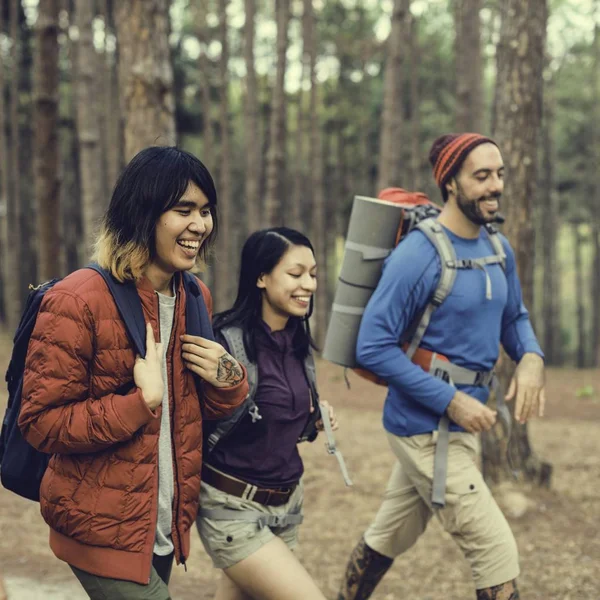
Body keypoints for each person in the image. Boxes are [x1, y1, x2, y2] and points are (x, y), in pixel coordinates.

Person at [18, 146, 249, 600]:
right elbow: (40, 422)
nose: (200, 225)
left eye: (205, 211)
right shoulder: (78, 299)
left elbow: (197, 412)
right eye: (183, 210)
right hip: (99, 530)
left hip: (158, 526)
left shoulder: (193, 295)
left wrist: (230, 381)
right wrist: (137, 404)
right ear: (143, 212)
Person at [337, 133, 546, 600]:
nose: (496, 186)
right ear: (451, 182)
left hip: (457, 425)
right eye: (481, 176)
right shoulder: (419, 255)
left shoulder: (498, 246)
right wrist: (452, 402)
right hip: (425, 430)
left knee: (390, 536)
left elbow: (515, 317)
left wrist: (531, 357)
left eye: (500, 174)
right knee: (497, 554)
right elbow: (373, 346)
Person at [192, 227, 337, 600]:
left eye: (313, 273)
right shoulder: (223, 341)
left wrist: (313, 420)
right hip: (233, 509)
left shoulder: (299, 343)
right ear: (261, 277)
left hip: (286, 507)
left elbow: (274, 422)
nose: (309, 284)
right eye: (295, 273)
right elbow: (200, 420)